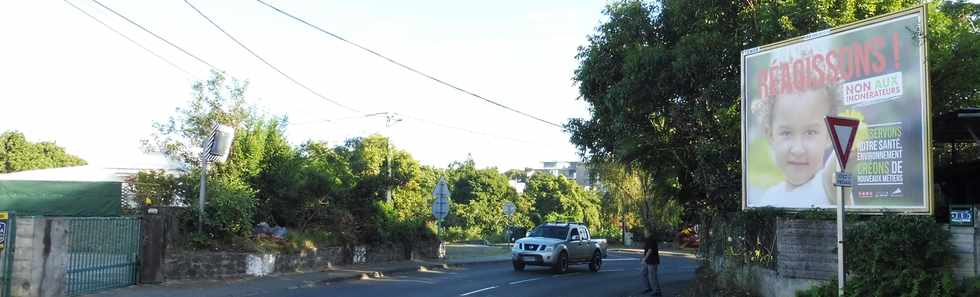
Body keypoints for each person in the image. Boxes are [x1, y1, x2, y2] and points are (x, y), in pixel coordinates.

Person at [754, 86, 843, 208]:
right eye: (786, 133)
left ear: (830, 135)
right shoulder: (768, 198)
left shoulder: (827, 187)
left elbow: (837, 168)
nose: (798, 150)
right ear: (770, 134)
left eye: (810, 132)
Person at [641, 231, 662, 296]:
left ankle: (657, 291)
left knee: (652, 276)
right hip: (648, 260)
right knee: (643, 273)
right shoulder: (647, 239)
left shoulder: (651, 239)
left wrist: (644, 259)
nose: (644, 233)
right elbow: (646, 250)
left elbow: (650, 250)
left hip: (652, 261)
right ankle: (648, 288)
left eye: (645, 232)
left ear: (649, 233)